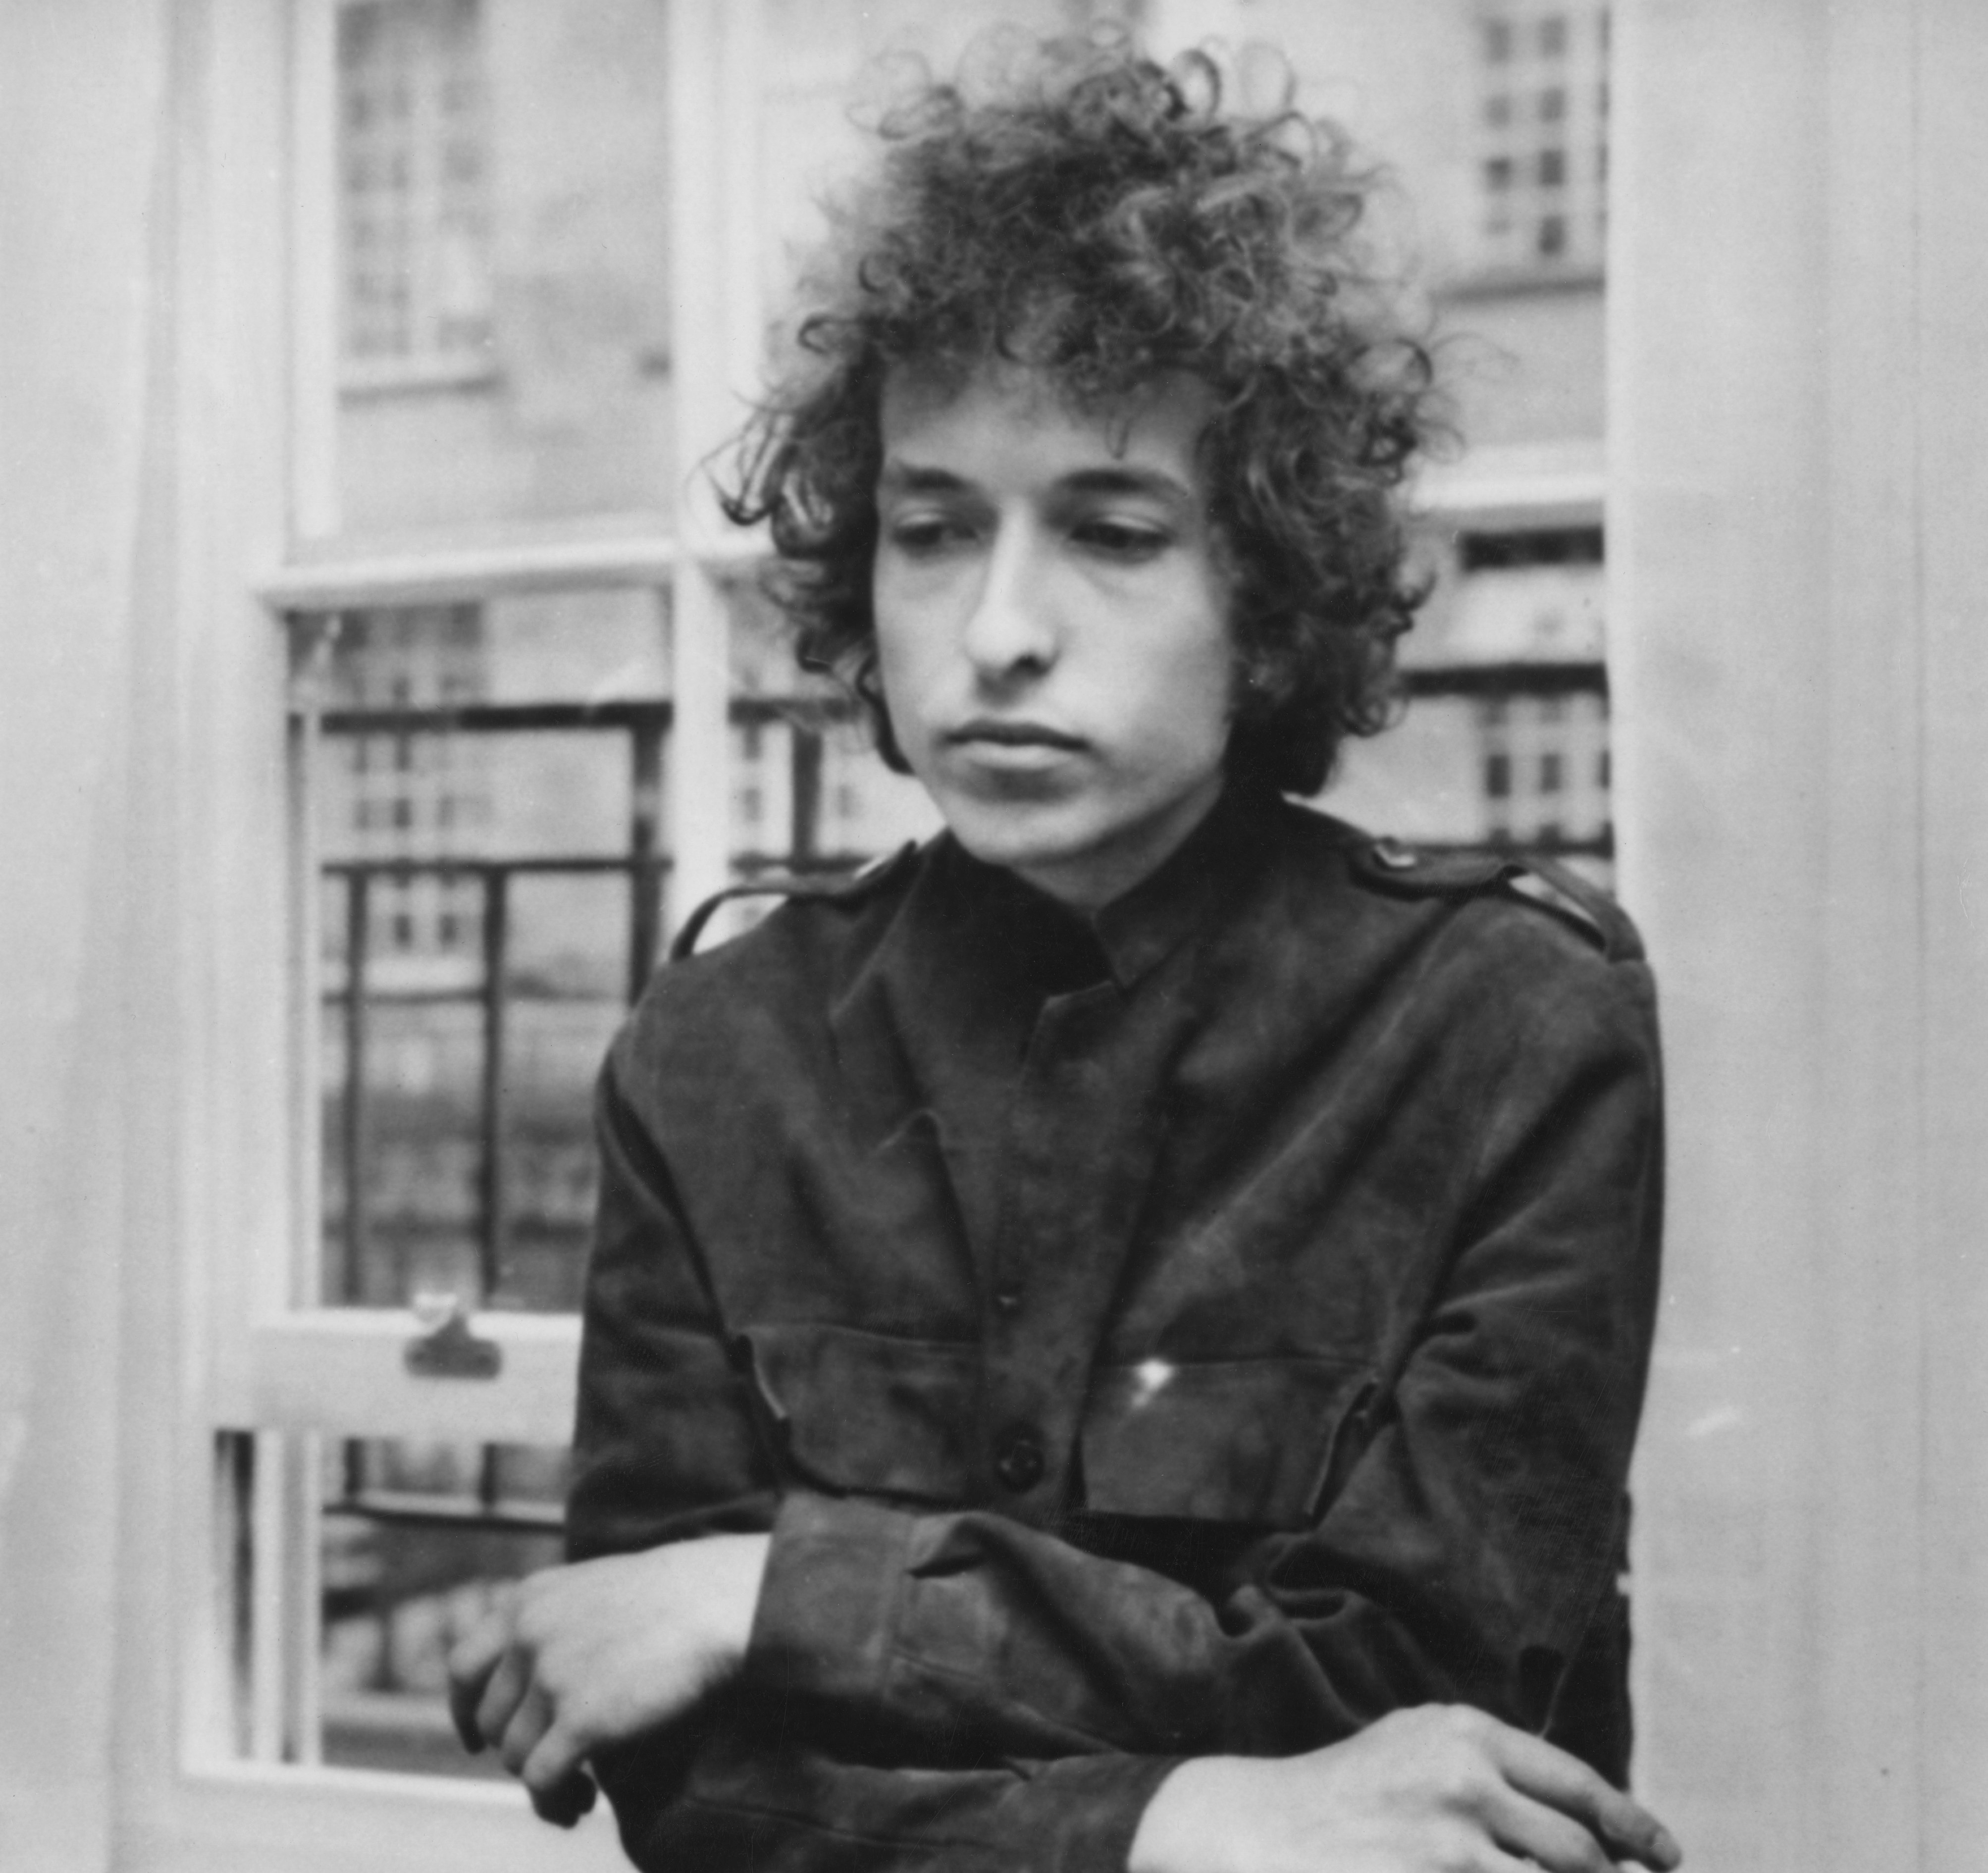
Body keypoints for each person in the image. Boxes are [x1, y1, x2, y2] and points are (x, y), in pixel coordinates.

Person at [447, 32, 1679, 1873]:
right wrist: (1190, 1821)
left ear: (1264, 599)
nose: (999, 629)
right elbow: (691, 1791)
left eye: (1110, 532)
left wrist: (769, 1599)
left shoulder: (1511, 1028)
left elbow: (1427, 1728)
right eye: (933, 528)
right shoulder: (718, 1050)